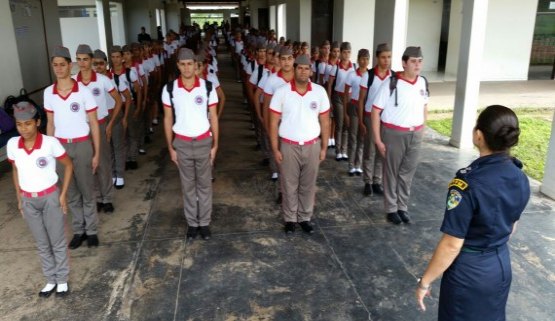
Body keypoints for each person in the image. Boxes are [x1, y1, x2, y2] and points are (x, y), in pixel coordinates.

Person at [415, 105, 530, 321]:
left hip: (468, 273)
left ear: (479, 135)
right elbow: (512, 224)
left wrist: (425, 282)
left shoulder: (466, 183)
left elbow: (451, 244)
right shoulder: (519, 176)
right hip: (500, 266)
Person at [7, 102, 73, 297]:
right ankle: (50, 279)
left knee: (57, 241)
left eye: (28, 123)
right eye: (19, 125)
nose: (23, 129)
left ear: (37, 122)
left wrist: (62, 195)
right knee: (42, 243)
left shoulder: (50, 143)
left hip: (49, 197)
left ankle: (62, 279)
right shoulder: (13, 145)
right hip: (28, 200)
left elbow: (68, 166)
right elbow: (15, 170)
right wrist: (19, 197)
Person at [44, 46, 101, 249]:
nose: (59, 69)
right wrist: (49, 152)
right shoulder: (48, 93)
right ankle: (79, 230)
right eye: (55, 65)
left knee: (87, 189)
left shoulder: (83, 92)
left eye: (62, 64)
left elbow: (94, 123)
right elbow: (50, 124)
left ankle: (92, 230)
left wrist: (96, 153)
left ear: (70, 65)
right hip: (60, 148)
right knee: (71, 192)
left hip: (82, 145)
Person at [268, 54, 330, 235]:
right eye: (300, 68)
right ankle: (290, 219)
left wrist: (324, 147)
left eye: (307, 68)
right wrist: (275, 148)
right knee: (288, 184)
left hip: (312, 146)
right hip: (288, 146)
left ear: (311, 71)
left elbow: (325, 121)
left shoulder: (319, 92)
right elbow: (273, 122)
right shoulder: (282, 92)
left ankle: (304, 217)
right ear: (294, 69)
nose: (303, 71)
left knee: (308, 184)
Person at [162, 48, 219, 241]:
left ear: (196, 65)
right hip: (182, 144)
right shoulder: (169, 89)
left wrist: (215, 145)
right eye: (183, 64)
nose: (187, 68)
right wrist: (171, 147)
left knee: (204, 185)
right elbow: (168, 119)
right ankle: (192, 224)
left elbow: (213, 117)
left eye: (190, 64)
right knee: (188, 186)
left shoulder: (207, 87)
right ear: (178, 65)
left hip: (204, 142)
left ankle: (204, 222)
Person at [371, 46, 428, 224]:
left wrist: (422, 128)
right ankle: (391, 208)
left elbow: (424, 106)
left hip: (415, 133)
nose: (417, 64)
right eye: (413, 61)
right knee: (391, 171)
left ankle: (402, 206)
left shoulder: (422, 82)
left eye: (419, 61)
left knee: (407, 172)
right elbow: (375, 111)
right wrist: (378, 140)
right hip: (394, 133)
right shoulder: (391, 82)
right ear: (404, 63)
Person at [74, 45, 122, 214]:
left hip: (100, 124)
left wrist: (110, 124)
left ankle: (107, 198)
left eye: (85, 59)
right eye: (78, 59)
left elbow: (119, 101)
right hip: (81, 129)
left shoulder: (102, 80)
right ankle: (96, 198)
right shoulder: (73, 81)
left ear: (91, 60)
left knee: (103, 162)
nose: (82, 63)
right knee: (87, 164)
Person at [358, 43, 391, 196]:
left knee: (381, 151)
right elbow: (361, 99)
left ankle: (377, 180)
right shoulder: (368, 76)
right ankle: (367, 181)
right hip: (370, 117)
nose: (386, 60)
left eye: (389, 57)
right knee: (369, 151)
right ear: (377, 58)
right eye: (383, 57)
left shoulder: (394, 77)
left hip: (385, 119)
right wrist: (360, 121)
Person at [343, 49, 369, 176]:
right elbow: (346, 94)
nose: (365, 61)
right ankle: (351, 165)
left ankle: (358, 164)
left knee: (362, 137)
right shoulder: (351, 75)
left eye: (367, 59)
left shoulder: (370, 76)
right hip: (353, 107)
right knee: (353, 136)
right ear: (358, 60)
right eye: (362, 58)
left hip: (365, 109)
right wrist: (345, 113)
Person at [328, 42, 355, 161]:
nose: (346, 54)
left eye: (349, 52)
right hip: (338, 97)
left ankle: (344, 150)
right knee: (339, 123)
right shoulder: (336, 67)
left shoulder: (353, 67)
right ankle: (338, 150)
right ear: (341, 53)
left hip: (349, 97)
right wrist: (329, 100)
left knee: (347, 124)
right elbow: (329, 85)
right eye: (344, 52)